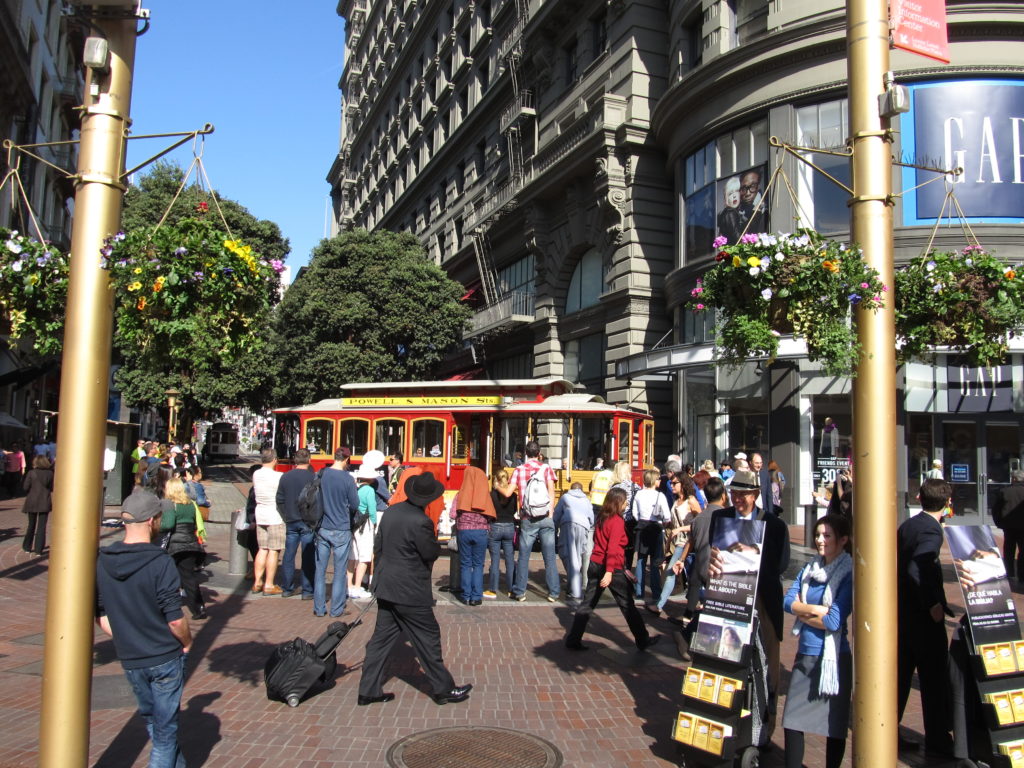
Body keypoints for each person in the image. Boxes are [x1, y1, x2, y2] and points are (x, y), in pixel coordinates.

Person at [95, 489, 192, 768]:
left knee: (156, 724)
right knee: (164, 733)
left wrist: (128, 635)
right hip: (164, 655)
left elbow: (102, 613)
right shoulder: (160, 562)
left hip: (131, 657)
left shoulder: (104, 561)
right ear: (152, 521)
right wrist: (186, 642)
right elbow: (174, 618)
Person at [357, 472, 472, 706]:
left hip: (386, 585)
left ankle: (368, 689)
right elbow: (430, 553)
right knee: (428, 637)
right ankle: (444, 689)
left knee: (381, 639)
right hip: (408, 590)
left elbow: (378, 546)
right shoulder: (421, 521)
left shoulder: (391, 512)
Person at [708, 469, 790, 740]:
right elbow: (709, 557)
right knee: (726, 662)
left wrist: (752, 559)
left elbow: (781, 564)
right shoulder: (720, 518)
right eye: (734, 493)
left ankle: (763, 728)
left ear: (755, 495)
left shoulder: (775, 525)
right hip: (728, 601)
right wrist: (713, 562)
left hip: (763, 604)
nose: (737, 499)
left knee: (766, 666)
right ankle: (725, 722)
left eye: (743, 494)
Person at [782, 514, 854, 768]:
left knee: (834, 727)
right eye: (818, 535)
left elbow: (834, 621)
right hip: (805, 654)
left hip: (833, 657)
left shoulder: (848, 573)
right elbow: (787, 601)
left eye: (827, 535)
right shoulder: (810, 568)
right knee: (791, 721)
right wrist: (818, 611)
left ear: (843, 539)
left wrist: (803, 612)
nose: (820, 541)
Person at [896, 478, 954, 757]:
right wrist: (933, 604)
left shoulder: (908, 525)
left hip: (904, 615)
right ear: (947, 503)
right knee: (933, 681)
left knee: (901, 677)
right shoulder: (932, 531)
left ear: (919, 498)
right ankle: (939, 742)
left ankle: (886, 731)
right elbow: (918, 567)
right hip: (923, 619)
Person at [564, 487, 660, 652]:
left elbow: (597, 540)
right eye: (624, 501)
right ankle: (642, 639)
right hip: (611, 567)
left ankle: (573, 638)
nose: (626, 504)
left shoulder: (602, 517)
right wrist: (609, 572)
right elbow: (613, 549)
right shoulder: (616, 521)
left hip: (595, 563)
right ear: (618, 502)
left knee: (588, 603)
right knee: (626, 604)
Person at [500, 441, 559, 602]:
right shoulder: (546, 468)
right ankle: (553, 592)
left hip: (527, 517)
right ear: (539, 453)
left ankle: (520, 591)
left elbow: (508, 493)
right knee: (549, 556)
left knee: (524, 556)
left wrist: (497, 486)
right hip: (545, 516)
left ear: (526, 453)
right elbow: (552, 493)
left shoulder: (519, 470)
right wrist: (550, 514)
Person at [314, 448, 361, 618]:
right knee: (340, 571)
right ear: (347, 459)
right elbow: (355, 504)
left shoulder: (321, 474)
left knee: (320, 569)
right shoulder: (348, 479)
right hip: (341, 527)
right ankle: (336, 609)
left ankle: (319, 608)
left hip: (323, 527)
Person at [652, 472, 700, 617]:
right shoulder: (676, 500)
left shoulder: (691, 500)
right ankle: (697, 602)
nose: (671, 486)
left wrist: (681, 529)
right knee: (692, 577)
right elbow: (673, 525)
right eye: (671, 483)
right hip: (678, 542)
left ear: (683, 485)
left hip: (688, 542)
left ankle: (659, 605)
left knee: (671, 572)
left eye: (674, 483)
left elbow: (700, 523)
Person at [160, 477, 208, 620]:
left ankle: (166, 608)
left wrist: (156, 527)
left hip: (174, 544)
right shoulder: (191, 504)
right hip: (191, 543)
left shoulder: (169, 504)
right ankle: (199, 608)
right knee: (189, 577)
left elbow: (168, 525)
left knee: (166, 577)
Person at [276, 448, 316, 600]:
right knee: (308, 555)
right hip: (307, 522)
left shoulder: (285, 477)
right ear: (309, 460)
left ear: (295, 460)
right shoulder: (313, 477)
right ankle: (307, 590)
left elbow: (279, 499)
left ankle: (287, 588)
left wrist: (285, 515)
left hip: (291, 520)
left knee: (289, 555)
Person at [453, 466, 496, 606]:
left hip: (464, 531)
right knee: (478, 564)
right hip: (480, 532)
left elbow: (452, 514)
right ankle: (476, 597)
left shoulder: (460, 494)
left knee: (465, 564)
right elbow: (491, 514)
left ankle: (465, 595)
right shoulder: (484, 495)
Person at [633, 469, 672, 607]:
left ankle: (639, 592)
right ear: (655, 481)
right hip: (656, 527)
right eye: (658, 479)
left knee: (641, 560)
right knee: (656, 561)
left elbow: (634, 513)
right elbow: (667, 516)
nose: (660, 481)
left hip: (642, 527)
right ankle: (656, 593)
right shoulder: (659, 496)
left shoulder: (638, 494)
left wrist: (641, 520)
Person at [554, 481, 595, 607]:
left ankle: (574, 589)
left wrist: (554, 527)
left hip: (567, 525)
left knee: (565, 553)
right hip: (583, 527)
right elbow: (591, 518)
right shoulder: (586, 500)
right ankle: (573, 584)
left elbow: (557, 514)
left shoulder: (565, 497)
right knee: (577, 556)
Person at [252, 448, 285, 595]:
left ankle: (257, 581)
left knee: (262, 548)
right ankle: (269, 584)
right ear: (274, 460)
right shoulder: (279, 476)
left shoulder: (256, 474)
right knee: (273, 550)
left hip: (260, 514)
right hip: (275, 515)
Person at [485, 468, 517, 599]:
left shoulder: (492, 494)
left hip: (496, 525)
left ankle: (493, 589)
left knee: (495, 559)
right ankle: (511, 589)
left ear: (496, 480)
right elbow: (515, 510)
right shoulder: (513, 495)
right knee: (510, 559)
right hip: (509, 526)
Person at [350, 463, 380, 599]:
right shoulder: (369, 490)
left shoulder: (355, 488)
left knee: (352, 556)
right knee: (364, 556)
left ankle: (349, 586)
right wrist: (374, 523)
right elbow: (372, 509)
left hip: (354, 524)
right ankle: (357, 586)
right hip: (365, 524)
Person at [993, 469, 1024, 583]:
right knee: (1023, 551)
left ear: (1014, 479)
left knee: (1009, 550)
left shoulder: (1004, 491)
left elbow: (996, 510)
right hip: (1022, 527)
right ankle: (1022, 576)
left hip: (1009, 526)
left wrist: (999, 523)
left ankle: (1009, 572)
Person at [21, 455, 54, 555]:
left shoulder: (31, 473)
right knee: (41, 526)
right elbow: (52, 487)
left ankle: (27, 547)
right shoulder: (50, 473)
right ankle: (38, 549)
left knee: (31, 525)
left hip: (32, 501)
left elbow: (25, 487)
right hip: (44, 500)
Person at [717, 175, 745, 244]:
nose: (734, 195)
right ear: (726, 198)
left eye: (736, 191)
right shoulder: (730, 213)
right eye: (730, 193)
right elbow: (738, 239)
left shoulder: (731, 212)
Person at [738, 168, 766, 233]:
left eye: (752, 186)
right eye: (744, 188)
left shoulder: (765, 210)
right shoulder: (739, 212)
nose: (748, 193)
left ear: (758, 187)